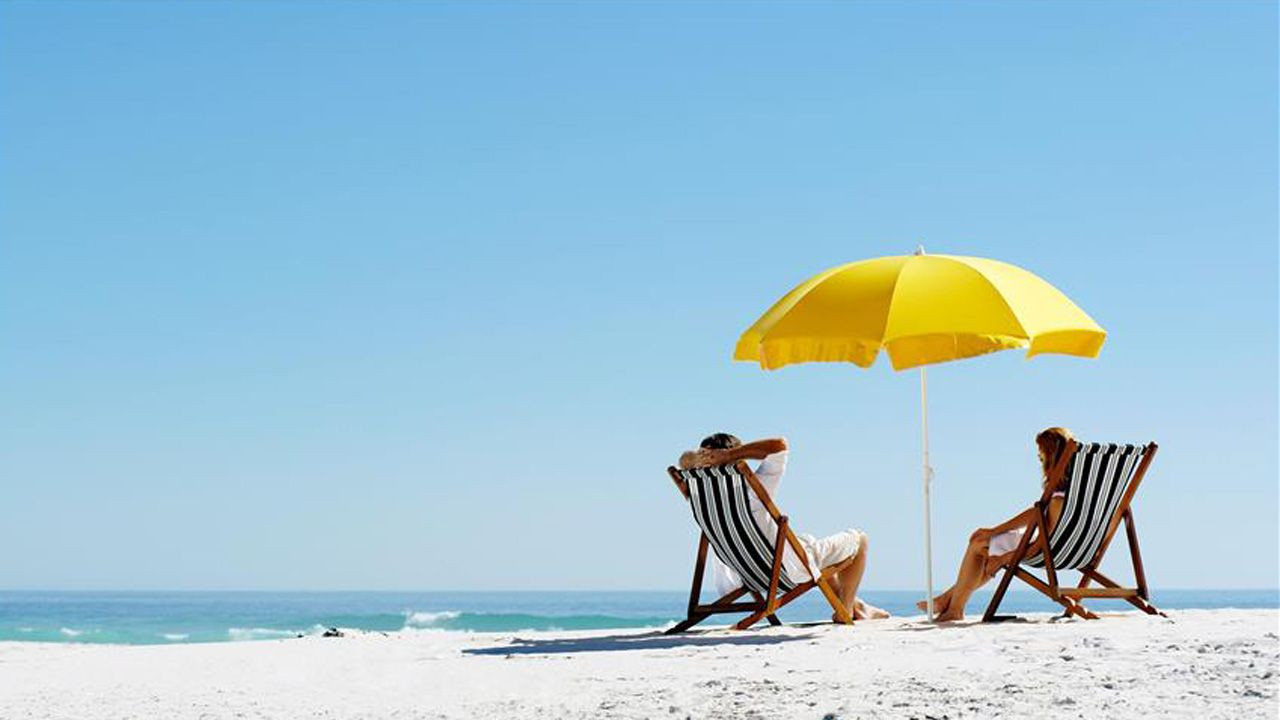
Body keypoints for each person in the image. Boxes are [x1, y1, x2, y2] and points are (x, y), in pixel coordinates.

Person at [679, 433, 889, 621]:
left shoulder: (700, 495)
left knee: (808, 543)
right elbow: (780, 445)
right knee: (860, 539)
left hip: (748, 576)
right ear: (737, 459)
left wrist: (702, 458)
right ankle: (846, 609)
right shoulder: (754, 487)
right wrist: (730, 455)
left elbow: (683, 461)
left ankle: (859, 607)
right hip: (783, 572)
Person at [917, 426, 1075, 621]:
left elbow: (1043, 542)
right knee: (984, 544)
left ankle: (954, 609)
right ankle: (947, 601)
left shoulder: (1058, 500)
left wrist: (1003, 559)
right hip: (1073, 547)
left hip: (1050, 551)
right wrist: (994, 531)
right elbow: (1038, 513)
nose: (1038, 458)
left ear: (1051, 455)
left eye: (1041, 453)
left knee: (978, 545)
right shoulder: (1075, 492)